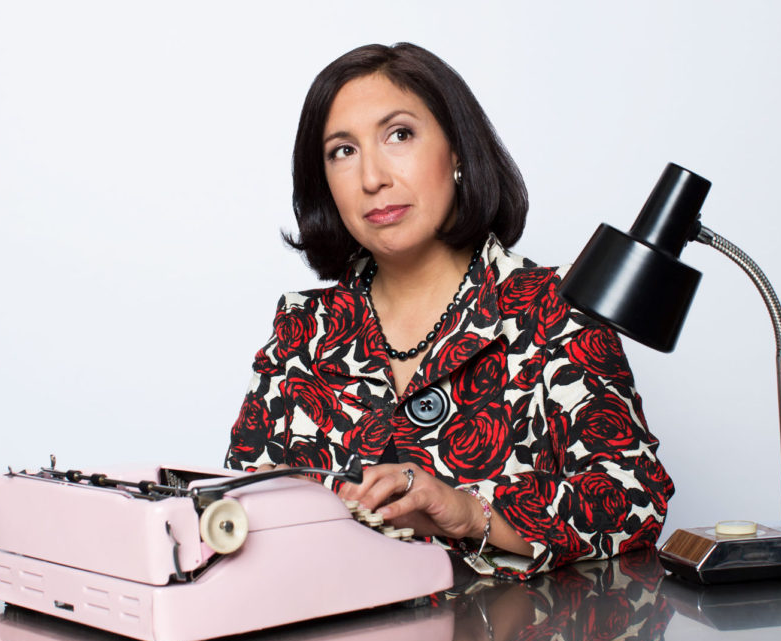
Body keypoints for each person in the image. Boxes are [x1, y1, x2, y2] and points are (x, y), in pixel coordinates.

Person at [226, 43, 673, 580]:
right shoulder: (302, 329)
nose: (372, 178)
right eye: (342, 151)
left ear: (457, 151)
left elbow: (634, 501)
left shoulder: (555, 309)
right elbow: (235, 508)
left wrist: (467, 513)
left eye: (399, 135)